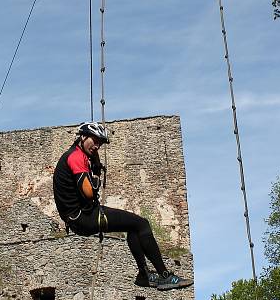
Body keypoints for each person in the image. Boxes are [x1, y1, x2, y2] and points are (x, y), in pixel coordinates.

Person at [52, 122, 192, 290]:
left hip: (79, 217)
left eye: (100, 143)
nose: (97, 146)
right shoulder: (76, 157)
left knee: (134, 227)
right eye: (94, 141)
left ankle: (144, 275)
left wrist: (94, 166)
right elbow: (89, 192)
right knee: (142, 224)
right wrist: (96, 174)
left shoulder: (77, 154)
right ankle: (163, 276)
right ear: (83, 137)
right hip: (83, 217)